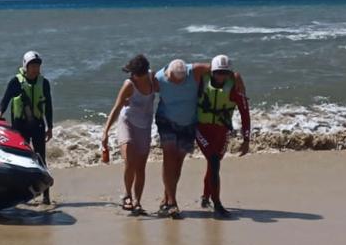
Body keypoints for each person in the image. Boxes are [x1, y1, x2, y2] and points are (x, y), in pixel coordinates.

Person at [100, 54, 157, 216]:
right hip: (127, 123)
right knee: (130, 162)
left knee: (141, 168)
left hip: (145, 127)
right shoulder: (129, 84)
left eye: (135, 74)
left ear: (145, 73)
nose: (132, 77)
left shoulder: (153, 79)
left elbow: (168, 85)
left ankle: (138, 202)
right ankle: (127, 195)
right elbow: (117, 108)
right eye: (131, 74)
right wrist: (105, 132)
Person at [0, 50, 54, 205]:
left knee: (40, 159)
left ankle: (46, 195)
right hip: (20, 127)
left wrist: (50, 127)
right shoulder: (16, 82)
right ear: (25, 66)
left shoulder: (44, 83)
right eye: (32, 66)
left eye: (37, 65)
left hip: (38, 125)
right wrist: (0, 112)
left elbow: (48, 107)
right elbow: (6, 99)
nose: (35, 69)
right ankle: (22, 195)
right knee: (22, 160)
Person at [153, 58, 210, 218]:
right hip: (166, 121)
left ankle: (166, 198)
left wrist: (237, 79)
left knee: (178, 163)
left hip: (189, 123)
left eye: (182, 80)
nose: (178, 84)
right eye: (175, 81)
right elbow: (143, 88)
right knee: (169, 158)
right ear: (169, 74)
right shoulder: (159, 79)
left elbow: (217, 68)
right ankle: (172, 202)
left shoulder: (195, 71)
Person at [195, 54, 250, 217]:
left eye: (225, 73)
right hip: (200, 128)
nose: (221, 76)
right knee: (213, 161)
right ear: (211, 71)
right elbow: (186, 71)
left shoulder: (235, 88)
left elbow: (245, 114)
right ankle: (217, 203)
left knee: (213, 164)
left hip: (222, 131)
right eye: (218, 72)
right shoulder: (201, 81)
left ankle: (206, 196)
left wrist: (246, 139)